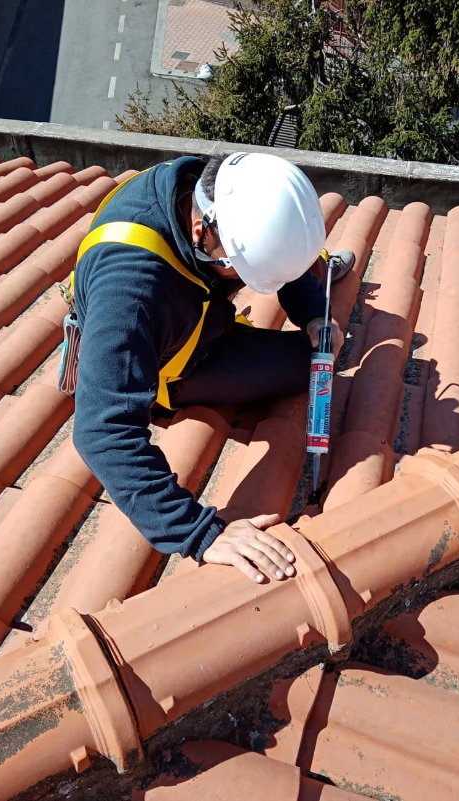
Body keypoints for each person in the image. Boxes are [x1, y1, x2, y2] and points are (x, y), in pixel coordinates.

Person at [71, 152, 353, 583]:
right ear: (201, 231)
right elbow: (102, 430)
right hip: (171, 366)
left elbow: (269, 256)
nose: (247, 283)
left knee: (318, 356)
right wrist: (199, 533)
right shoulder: (130, 291)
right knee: (306, 365)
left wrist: (314, 312)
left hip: (199, 320)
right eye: (241, 271)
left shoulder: (216, 190)